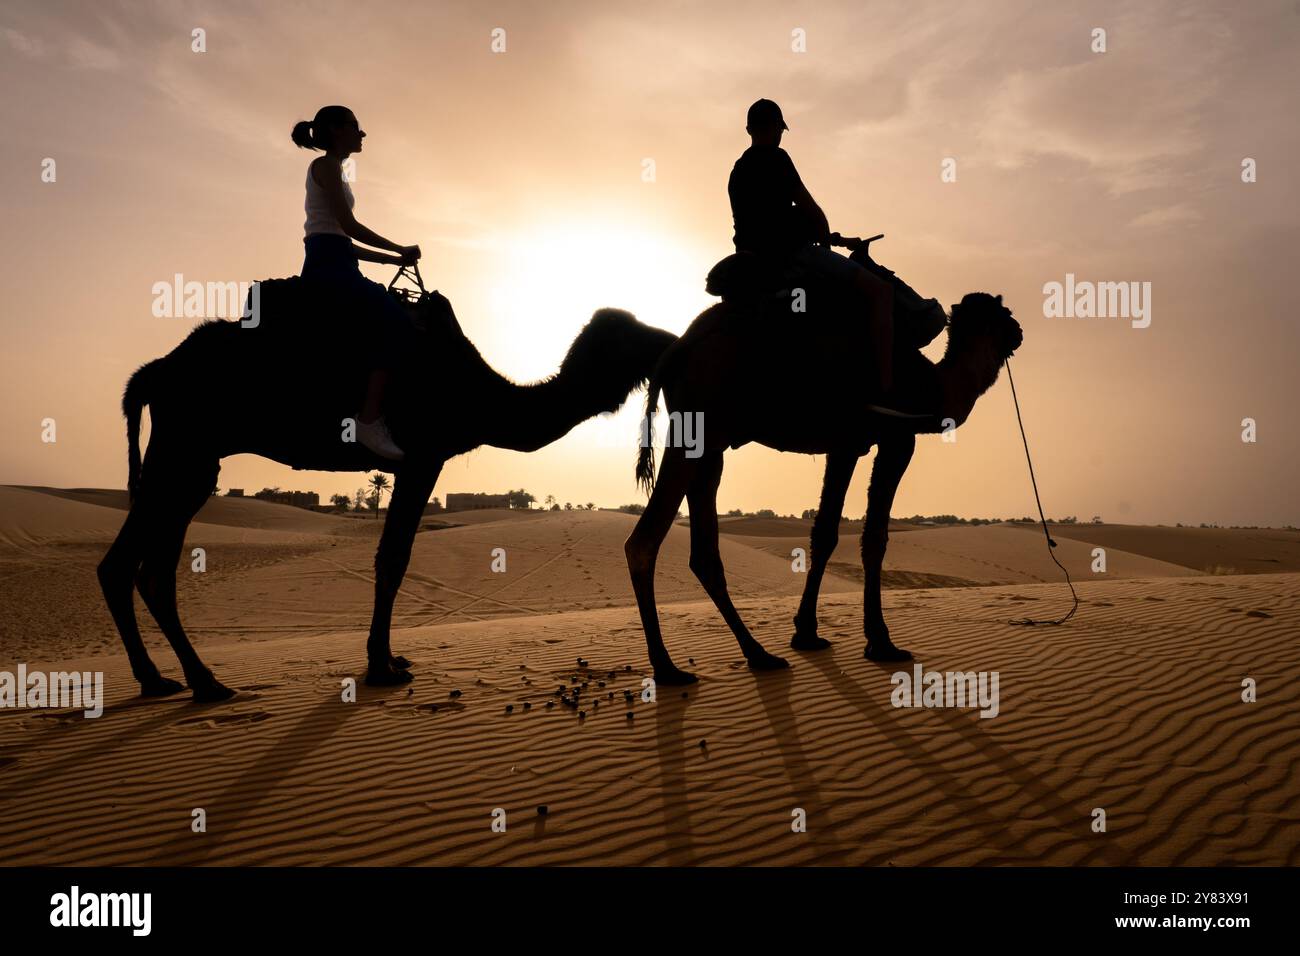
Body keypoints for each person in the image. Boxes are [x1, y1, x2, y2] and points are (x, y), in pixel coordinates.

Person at [728, 99, 895, 393]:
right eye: (780, 129)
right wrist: (826, 245)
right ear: (777, 129)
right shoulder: (778, 158)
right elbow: (812, 212)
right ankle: (885, 389)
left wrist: (833, 239)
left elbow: (761, 223)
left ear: (748, 130)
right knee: (881, 292)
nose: (780, 135)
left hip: (752, 262)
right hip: (793, 257)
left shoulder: (737, 172)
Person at [291, 105, 419, 460]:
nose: (361, 134)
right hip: (329, 270)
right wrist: (399, 246)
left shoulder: (336, 170)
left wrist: (395, 260)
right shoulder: (326, 166)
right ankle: (368, 419)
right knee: (396, 324)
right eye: (355, 127)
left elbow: (341, 241)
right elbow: (348, 228)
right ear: (335, 130)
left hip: (337, 262)